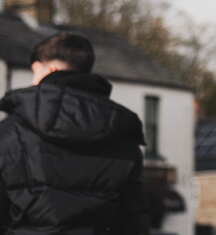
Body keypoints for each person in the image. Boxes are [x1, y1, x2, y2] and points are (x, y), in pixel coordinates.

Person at [0, 31, 150, 234]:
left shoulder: (9, 133)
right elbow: (133, 224)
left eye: (34, 73)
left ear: (47, 69)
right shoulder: (123, 135)